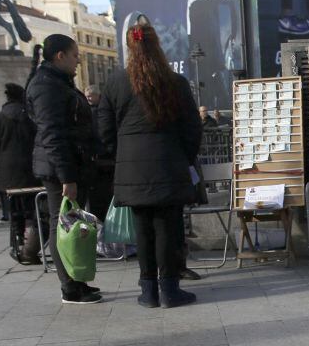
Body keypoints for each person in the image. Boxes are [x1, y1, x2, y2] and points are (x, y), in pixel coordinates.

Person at [98, 16, 202, 308]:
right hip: (169, 163)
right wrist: (184, 157)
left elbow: (104, 129)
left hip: (132, 167)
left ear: (130, 47)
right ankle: (169, 289)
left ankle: (148, 291)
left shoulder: (116, 82)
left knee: (141, 229)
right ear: (159, 47)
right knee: (168, 228)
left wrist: (122, 156)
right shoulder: (175, 82)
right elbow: (193, 127)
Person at [27, 34, 101, 304]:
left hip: (69, 164)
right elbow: (53, 135)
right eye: (74, 55)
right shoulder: (47, 86)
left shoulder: (56, 82)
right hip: (60, 168)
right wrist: (67, 176)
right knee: (63, 226)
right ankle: (69, 286)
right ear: (60, 56)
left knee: (72, 224)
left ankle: (77, 280)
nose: (78, 60)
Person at [0, 83, 41, 264]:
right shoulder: (32, 118)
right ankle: (31, 245)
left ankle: (18, 242)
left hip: (8, 173)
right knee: (34, 211)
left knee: (15, 211)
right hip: (32, 171)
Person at [84, 84, 113, 222]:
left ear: (97, 95)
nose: (88, 98)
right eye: (87, 96)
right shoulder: (103, 108)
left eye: (90, 96)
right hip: (104, 158)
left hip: (100, 158)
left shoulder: (96, 111)